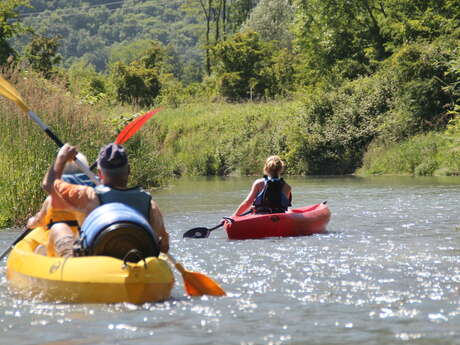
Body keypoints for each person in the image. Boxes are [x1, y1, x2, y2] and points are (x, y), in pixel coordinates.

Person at [40, 142, 169, 257]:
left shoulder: (89, 196)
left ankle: (65, 261)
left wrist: (61, 158)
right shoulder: (149, 203)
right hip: (139, 259)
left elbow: (49, 185)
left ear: (100, 173)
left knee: (59, 227)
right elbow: (164, 246)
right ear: (129, 170)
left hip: (95, 261)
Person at [26, 153, 96, 256]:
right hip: (82, 244)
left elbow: (38, 222)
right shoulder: (91, 197)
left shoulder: (51, 200)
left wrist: (31, 221)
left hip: (57, 249)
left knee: (40, 250)